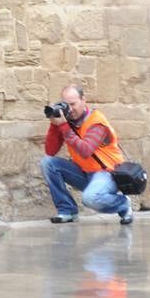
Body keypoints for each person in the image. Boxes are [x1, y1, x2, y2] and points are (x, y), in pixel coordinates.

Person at [40, 84, 135, 224]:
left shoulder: (97, 122)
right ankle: (67, 211)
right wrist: (55, 125)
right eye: (67, 105)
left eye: (73, 104)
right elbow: (50, 151)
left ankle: (123, 203)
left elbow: (86, 150)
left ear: (83, 100)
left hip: (107, 174)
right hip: (84, 172)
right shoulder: (68, 122)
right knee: (48, 163)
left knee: (89, 198)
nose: (70, 109)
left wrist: (63, 126)